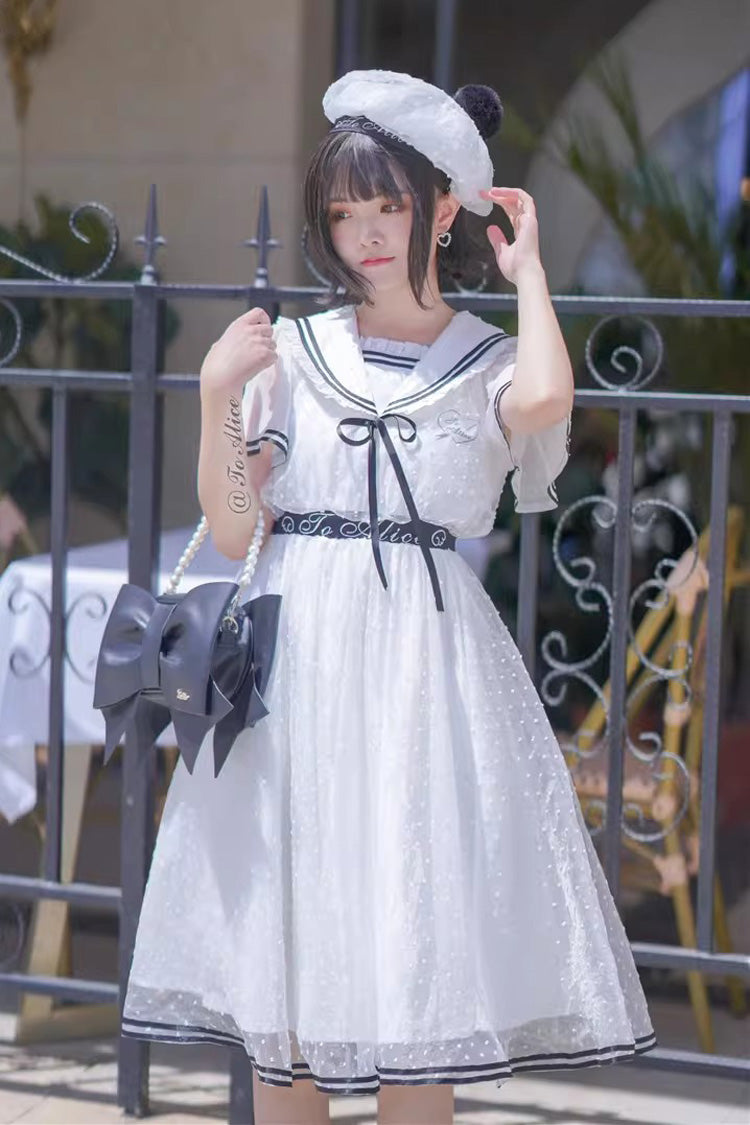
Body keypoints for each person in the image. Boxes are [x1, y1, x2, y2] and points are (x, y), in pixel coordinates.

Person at [120, 70, 657, 1125]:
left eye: (387, 205)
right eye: (342, 212)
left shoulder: (485, 359)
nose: (364, 234)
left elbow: (548, 395)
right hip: (300, 671)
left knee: (417, 972)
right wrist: (217, 393)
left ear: (441, 209)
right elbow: (233, 528)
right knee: (289, 1004)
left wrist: (530, 272)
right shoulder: (297, 350)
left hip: (423, 671)